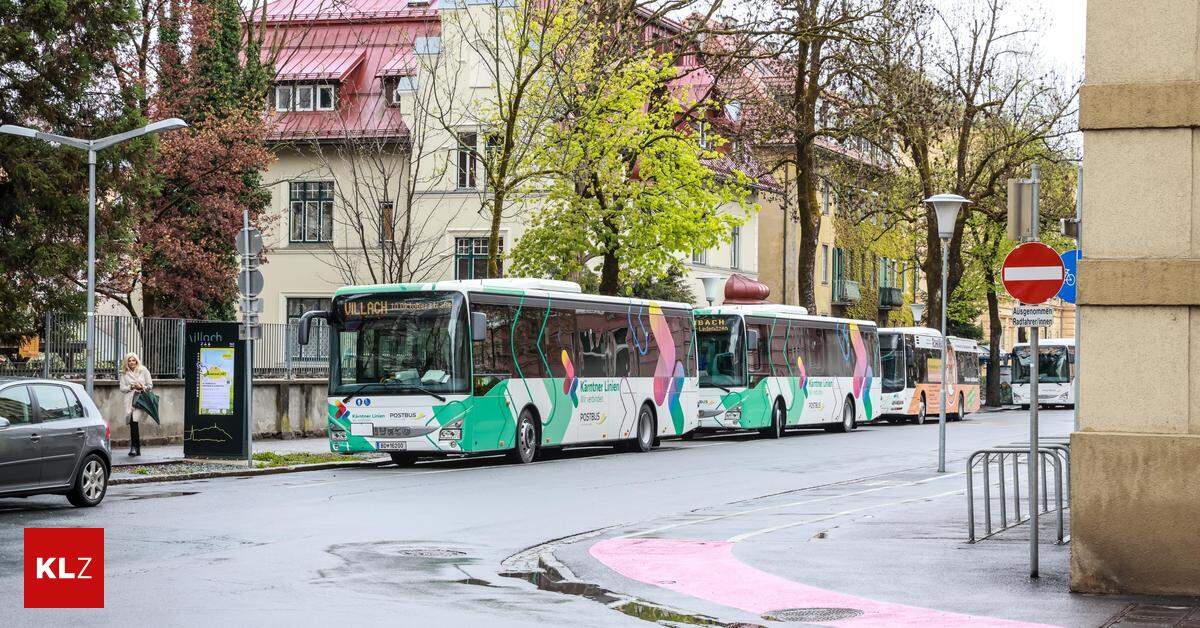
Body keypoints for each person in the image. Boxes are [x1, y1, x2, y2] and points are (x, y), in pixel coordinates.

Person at [120, 352, 153, 457]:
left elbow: (150, 385)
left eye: (133, 360)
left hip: (140, 400)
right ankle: (136, 448)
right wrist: (131, 387)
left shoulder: (143, 370)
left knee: (134, 421)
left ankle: (134, 447)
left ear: (136, 361)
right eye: (129, 361)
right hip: (130, 401)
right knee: (132, 423)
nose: (131, 362)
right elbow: (122, 388)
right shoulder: (124, 373)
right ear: (126, 362)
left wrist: (141, 387)